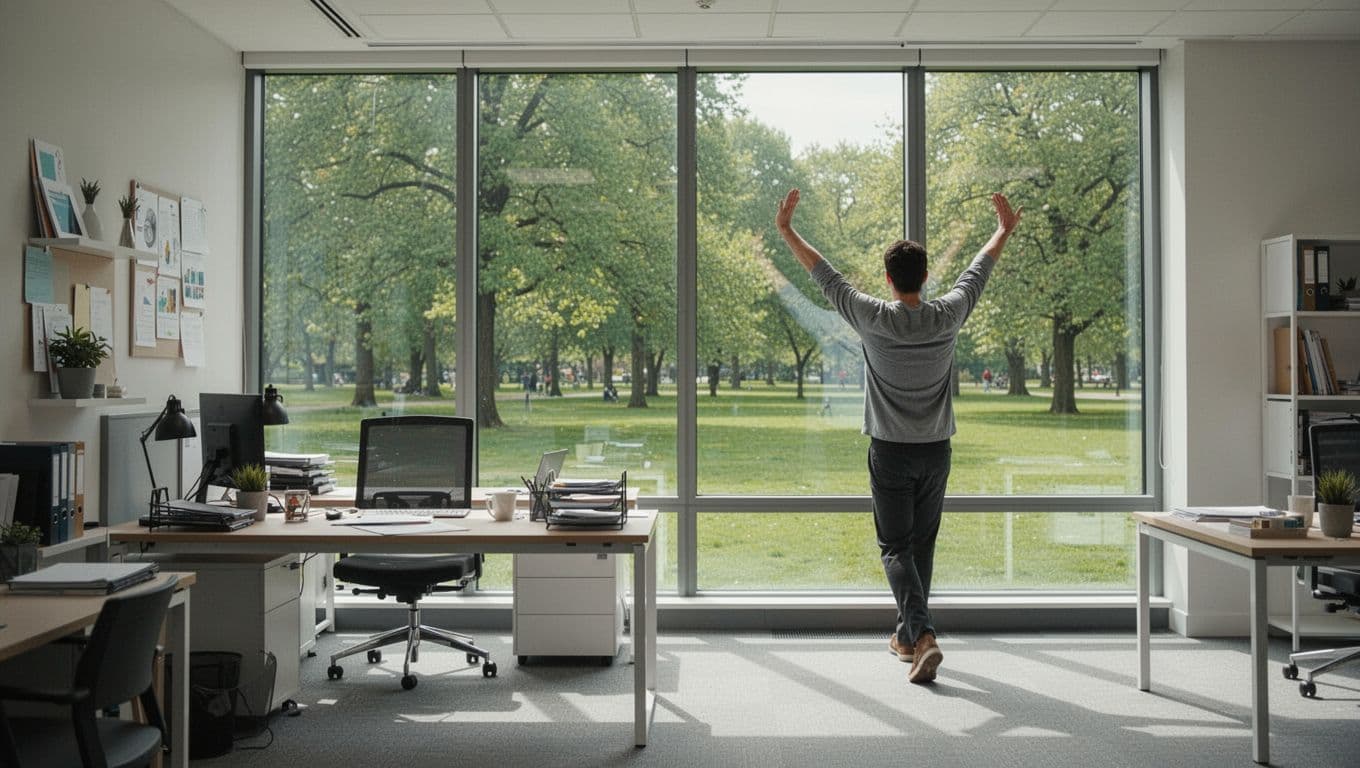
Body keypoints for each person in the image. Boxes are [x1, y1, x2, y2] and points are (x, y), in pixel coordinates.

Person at [775, 187, 1021, 684]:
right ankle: (908, 639)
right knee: (920, 546)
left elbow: (824, 276)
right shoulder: (948, 314)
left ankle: (924, 635)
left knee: (894, 547)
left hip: (889, 452)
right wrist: (1002, 230)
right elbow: (979, 270)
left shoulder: (872, 316)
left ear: (888, 280)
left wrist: (786, 230)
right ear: (925, 277)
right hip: (936, 451)